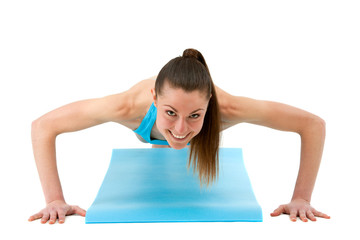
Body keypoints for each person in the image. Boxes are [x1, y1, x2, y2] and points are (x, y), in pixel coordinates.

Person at [28, 48, 330, 224]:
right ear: (154, 100)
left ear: (209, 105)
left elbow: (312, 125)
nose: (181, 130)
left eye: (195, 116)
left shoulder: (228, 109)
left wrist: (301, 197)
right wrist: (55, 199)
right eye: (170, 113)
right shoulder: (126, 107)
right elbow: (44, 126)